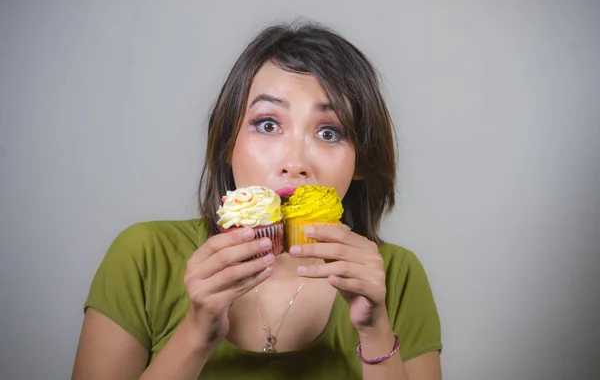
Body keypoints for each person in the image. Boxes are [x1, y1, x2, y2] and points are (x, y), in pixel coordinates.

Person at [72, 21, 443, 380]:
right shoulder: (144, 257)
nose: (295, 163)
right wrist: (197, 333)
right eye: (268, 124)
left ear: (361, 161)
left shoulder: (395, 275)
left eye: (329, 132)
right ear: (227, 141)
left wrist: (374, 328)